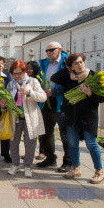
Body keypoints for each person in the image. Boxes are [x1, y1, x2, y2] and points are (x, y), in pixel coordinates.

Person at [51, 54, 104, 183]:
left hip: (88, 116)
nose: (80, 65)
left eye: (81, 62)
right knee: (72, 144)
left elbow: (102, 98)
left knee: (91, 144)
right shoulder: (69, 78)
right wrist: (68, 69)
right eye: (76, 63)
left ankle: (99, 171)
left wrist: (90, 94)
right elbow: (54, 77)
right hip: (71, 115)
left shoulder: (94, 76)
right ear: (71, 66)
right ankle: (76, 168)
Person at [1, 60, 46, 178]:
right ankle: (15, 164)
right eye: (14, 73)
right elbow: (8, 100)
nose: (17, 76)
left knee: (30, 142)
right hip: (15, 117)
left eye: (19, 73)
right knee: (14, 142)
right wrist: (3, 105)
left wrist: (29, 92)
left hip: (30, 116)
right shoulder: (11, 84)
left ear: (24, 71)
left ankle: (27, 166)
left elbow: (43, 97)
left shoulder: (33, 81)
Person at [37, 42, 71, 173]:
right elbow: (40, 79)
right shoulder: (45, 63)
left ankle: (68, 162)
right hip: (46, 100)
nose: (49, 52)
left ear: (60, 50)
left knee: (64, 133)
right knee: (45, 131)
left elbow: (70, 82)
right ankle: (50, 158)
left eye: (52, 50)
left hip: (62, 101)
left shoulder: (67, 62)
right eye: (47, 50)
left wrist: (55, 91)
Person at [26, 60, 43, 160]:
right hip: (27, 110)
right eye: (26, 68)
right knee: (28, 135)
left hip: (35, 109)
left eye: (30, 69)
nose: (28, 70)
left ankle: (41, 151)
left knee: (35, 133)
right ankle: (29, 153)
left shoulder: (37, 80)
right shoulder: (24, 79)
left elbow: (41, 96)